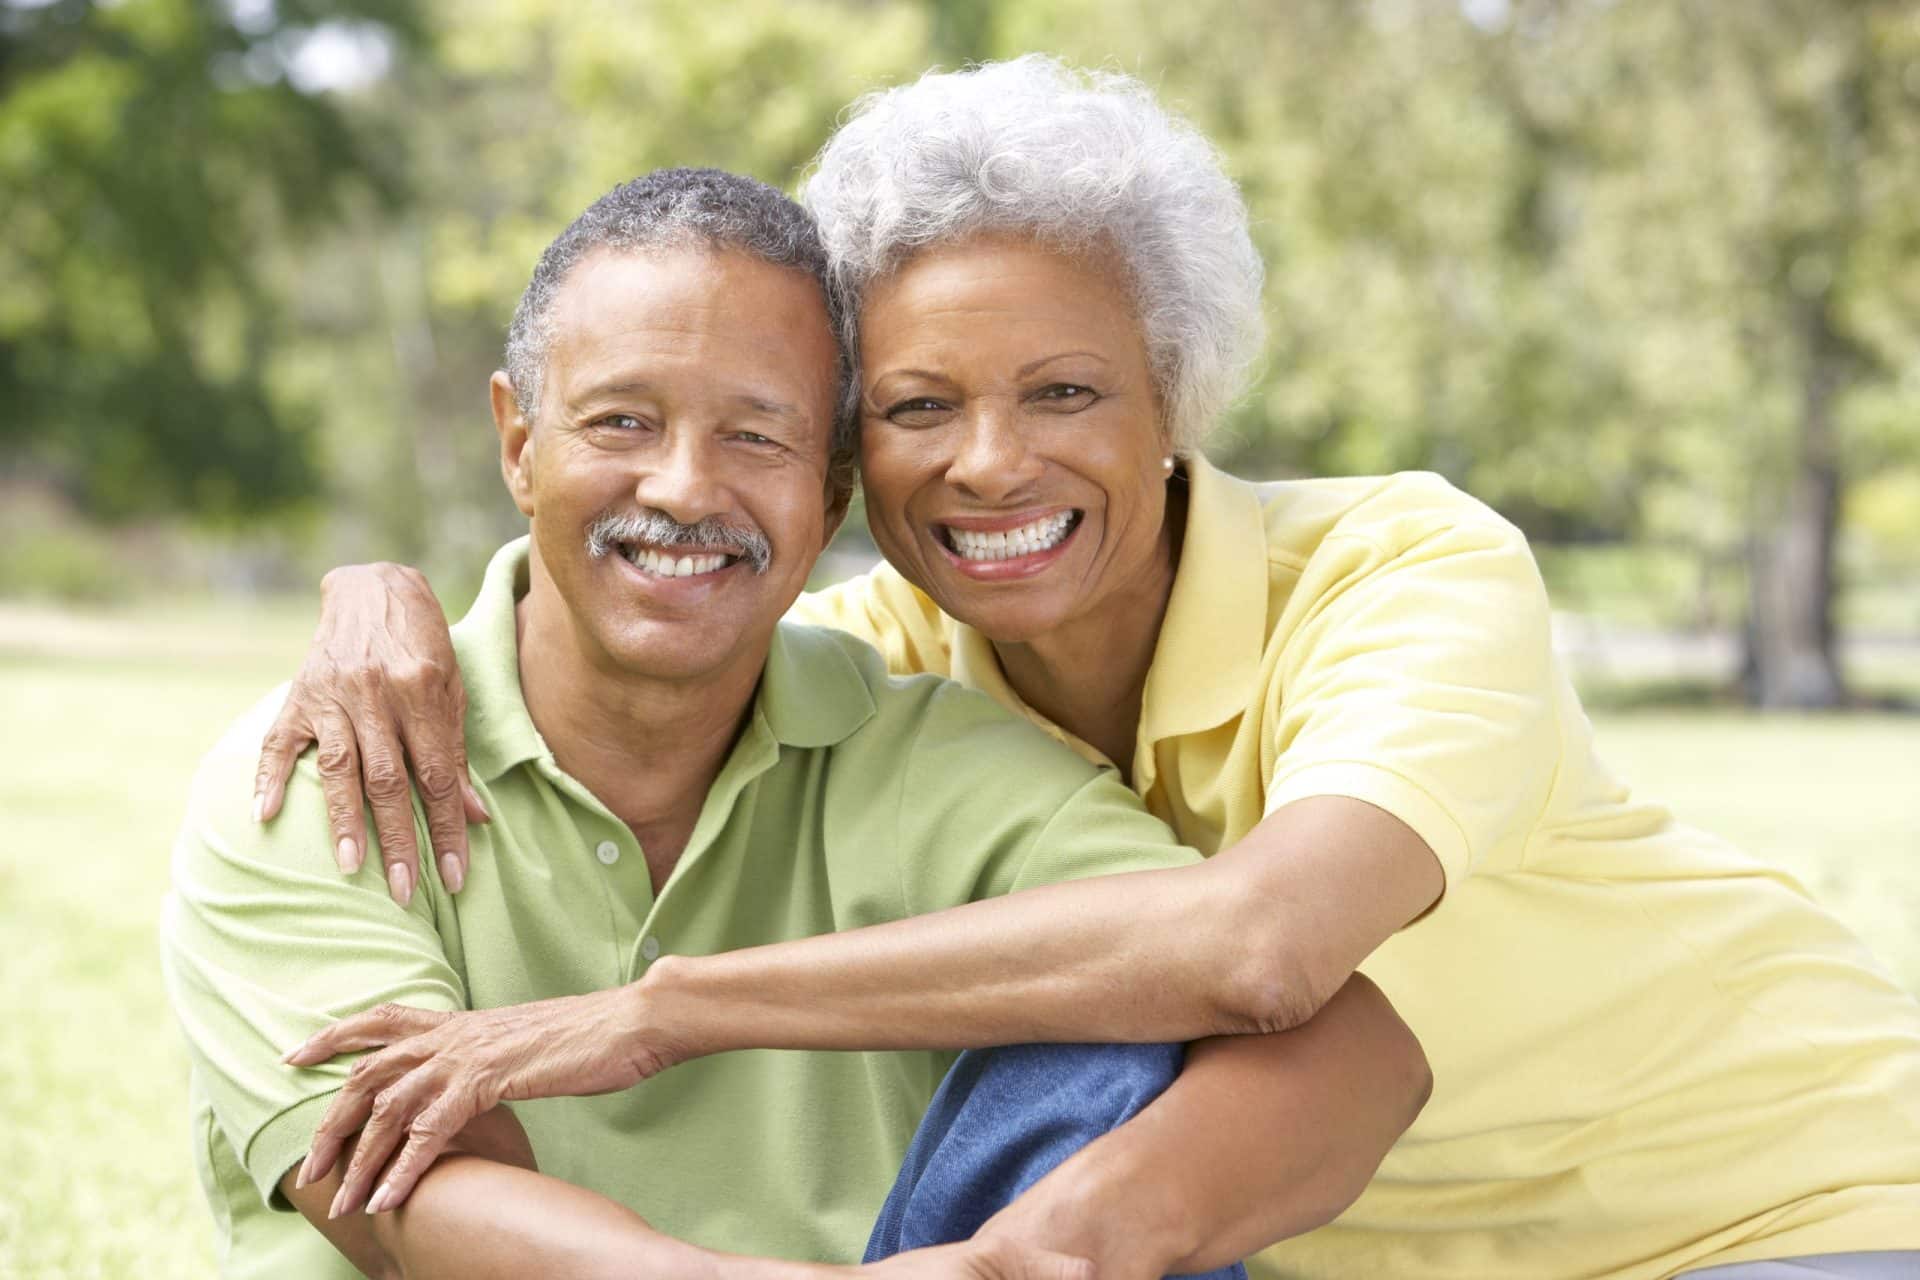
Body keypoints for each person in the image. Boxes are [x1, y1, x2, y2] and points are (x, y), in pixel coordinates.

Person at [256, 57, 1920, 1279]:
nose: (989, 464)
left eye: (1064, 394)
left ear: (1173, 395)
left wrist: (656, 1015)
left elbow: (1260, 947)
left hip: (1774, 1205)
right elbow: (631, 589)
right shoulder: (873, 667)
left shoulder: (1404, 569)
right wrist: (377, 596)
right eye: (917, 407)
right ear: (849, 450)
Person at [165, 166, 1426, 1279]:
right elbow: (409, 1216)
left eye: (755, 435)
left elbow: (1355, 1052)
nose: (683, 487)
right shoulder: (325, 767)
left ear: (826, 502)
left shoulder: (935, 759)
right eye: (621, 421)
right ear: (517, 441)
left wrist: (1029, 1259)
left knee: (1113, 1068)